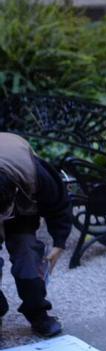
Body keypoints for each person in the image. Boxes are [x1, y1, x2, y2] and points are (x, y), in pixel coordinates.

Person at [0, 133, 69, 338]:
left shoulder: (36, 174)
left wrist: (59, 242)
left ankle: (38, 313)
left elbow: (59, 204)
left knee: (29, 260)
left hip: (21, 211)